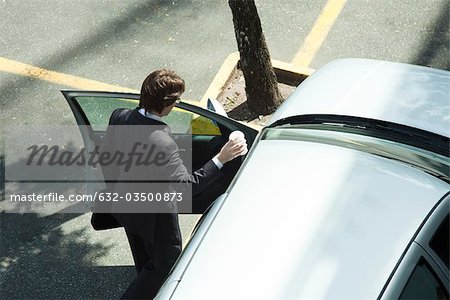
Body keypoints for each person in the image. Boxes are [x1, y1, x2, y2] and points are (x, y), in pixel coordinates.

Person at [97, 69, 247, 299]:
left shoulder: (119, 116)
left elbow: (107, 159)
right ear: (167, 104)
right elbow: (187, 188)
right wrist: (222, 158)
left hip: (125, 205)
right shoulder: (163, 143)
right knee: (164, 265)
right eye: (177, 100)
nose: (177, 104)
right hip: (156, 217)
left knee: (143, 251)